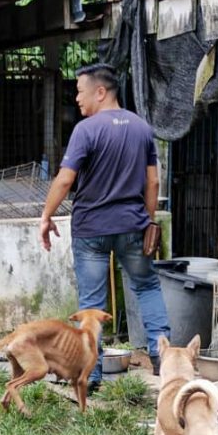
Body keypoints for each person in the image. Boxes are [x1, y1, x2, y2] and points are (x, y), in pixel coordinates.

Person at [39, 63, 170, 384]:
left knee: (92, 304)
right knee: (148, 287)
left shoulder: (86, 130)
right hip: (132, 226)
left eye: (81, 92)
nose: (77, 99)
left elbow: (66, 178)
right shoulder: (142, 128)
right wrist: (148, 220)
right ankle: (161, 359)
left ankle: (91, 375)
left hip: (92, 229)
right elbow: (153, 183)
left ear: (101, 92)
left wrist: (46, 216)